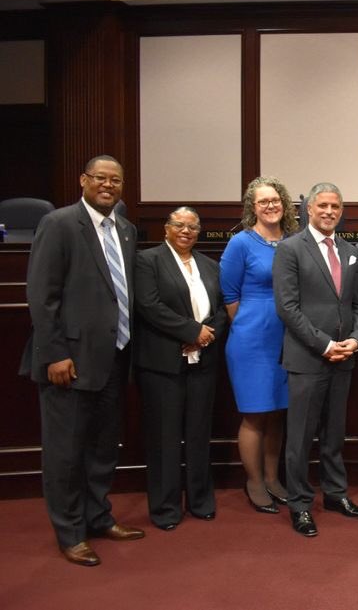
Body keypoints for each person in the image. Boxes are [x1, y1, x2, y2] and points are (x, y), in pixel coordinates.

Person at [22, 155, 144, 566]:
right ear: (83, 181)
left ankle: (98, 516)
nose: (108, 185)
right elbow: (42, 296)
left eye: (116, 180)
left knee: (102, 446)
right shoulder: (58, 224)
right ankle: (70, 532)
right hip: (69, 362)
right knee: (66, 452)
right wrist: (55, 353)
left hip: (114, 357)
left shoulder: (126, 230)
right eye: (100, 178)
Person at [274, 182, 358, 537]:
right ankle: (299, 504)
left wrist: (356, 340)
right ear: (309, 209)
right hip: (307, 358)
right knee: (299, 438)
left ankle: (335, 494)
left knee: (334, 434)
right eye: (323, 206)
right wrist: (325, 344)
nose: (330, 212)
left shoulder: (350, 250)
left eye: (335, 206)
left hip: (344, 358)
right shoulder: (290, 249)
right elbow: (287, 308)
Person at [133, 207, 227, 531]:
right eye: (179, 225)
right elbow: (148, 305)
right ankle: (165, 508)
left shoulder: (210, 266)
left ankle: (201, 501)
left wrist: (205, 335)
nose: (186, 231)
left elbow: (221, 309)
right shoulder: (148, 261)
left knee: (199, 435)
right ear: (166, 229)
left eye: (192, 227)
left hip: (203, 361)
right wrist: (190, 332)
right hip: (162, 364)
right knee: (165, 438)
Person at [220, 177, 298, 515]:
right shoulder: (240, 243)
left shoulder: (294, 241)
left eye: (276, 200)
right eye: (263, 201)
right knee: (255, 413)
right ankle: (254, 482)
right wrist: (252, 325)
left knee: (278, 412)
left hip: (289, 336)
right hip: (252, 336)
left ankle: (273, 477)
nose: (271, 206)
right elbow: (229, 296)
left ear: (284, 205)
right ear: (253, 207)